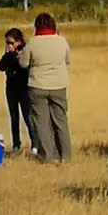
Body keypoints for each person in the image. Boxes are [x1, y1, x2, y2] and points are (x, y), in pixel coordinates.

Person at [24, 10, 71, 162]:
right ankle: (65, 156)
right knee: (61, 121)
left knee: (42, 122)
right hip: (59, 85)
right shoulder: (61, 41)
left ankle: (47, 156)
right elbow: (68, 60)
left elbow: (23, 63)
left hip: (38, 85)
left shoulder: (33, 42)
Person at [0, 27, 36, 157]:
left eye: (11, 42)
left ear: (19, 42)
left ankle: (35, 143)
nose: (9, 45)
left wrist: (15, 56)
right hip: (11, 87)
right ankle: (16, 144)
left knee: (27, 116)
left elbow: (24, 67)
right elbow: (1, 67)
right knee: (14, 117)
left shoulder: (25, 51)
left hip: (23, 87)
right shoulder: (9, 54)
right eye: (7, 42)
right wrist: (8, 54)